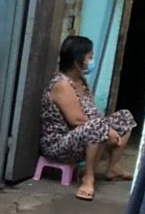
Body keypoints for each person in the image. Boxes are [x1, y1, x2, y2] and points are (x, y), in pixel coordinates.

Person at [40, 36, 137, 201]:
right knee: (96, 126)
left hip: (80, 136)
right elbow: (76, 120)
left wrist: (107, 128)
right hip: (59, 144)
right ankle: (88, 177)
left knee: (125, 117)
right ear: (76, 61)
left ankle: (112, 168)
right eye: (89, 57)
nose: (91, 61)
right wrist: (106, 130)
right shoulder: (62, 84)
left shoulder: (80, 81)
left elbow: (91, 114)